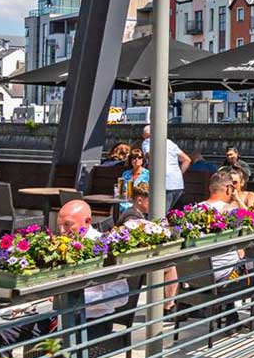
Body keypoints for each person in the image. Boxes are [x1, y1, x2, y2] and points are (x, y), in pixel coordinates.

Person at [57, 200, 129, 337]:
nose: (61, 231)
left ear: (87, 221)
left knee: (56, 351)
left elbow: (121, 295)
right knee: (6, 333)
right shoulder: (60, 245)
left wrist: (78, 299)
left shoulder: (103, 246)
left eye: (67, 225)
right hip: (59, 317)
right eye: (59, 226)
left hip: (92, 321)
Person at [200, 172, 245, 282]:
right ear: (229, 189)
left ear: (210, 188)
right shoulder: (230, 211)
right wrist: (238, 200)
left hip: (196, 276)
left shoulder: (194, 209)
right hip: (225, 274)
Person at [141, 125, 191, 210]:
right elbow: (187, 160)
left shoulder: (147, 142)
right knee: (166, 213)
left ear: (145, 135)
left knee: (159, 214)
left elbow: (150, 156)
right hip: (177, 183)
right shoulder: (169, 142)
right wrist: (178, 173)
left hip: (163, 183)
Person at [119, 148, 149, 212]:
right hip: (125, 201)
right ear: (130, 160)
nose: (136, 160)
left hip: (140, 202)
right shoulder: (126, 173)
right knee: (118, 206)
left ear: (143, 160)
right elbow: (121, 190)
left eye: (139, 157)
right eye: (134, 158)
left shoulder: (147, 174)